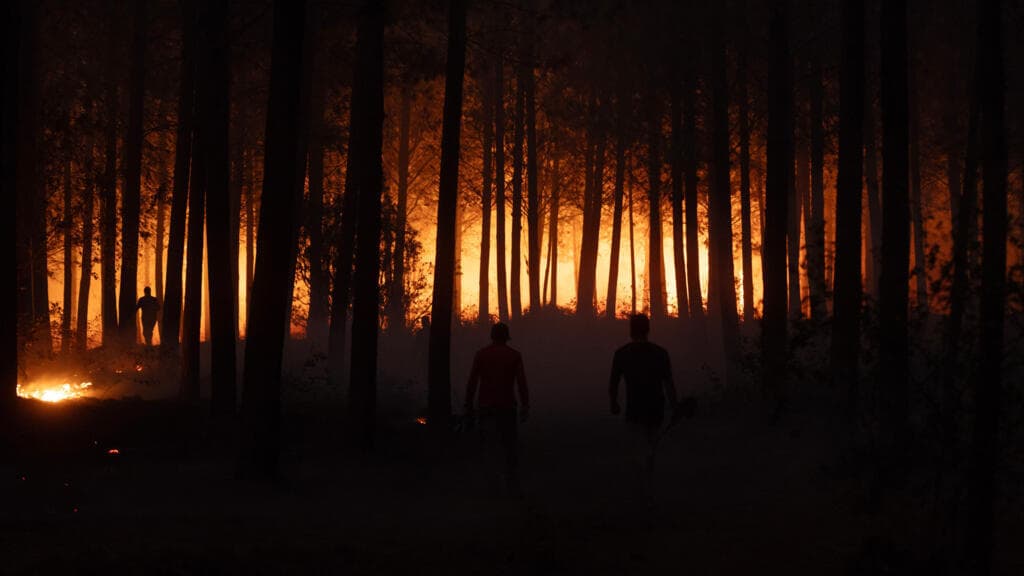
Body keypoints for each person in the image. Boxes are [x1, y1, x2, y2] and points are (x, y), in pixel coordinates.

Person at [609, 314, 679, 480]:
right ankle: (649, 482)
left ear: (631, 330)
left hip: (634, 409)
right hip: (656, 409)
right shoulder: (660, 353)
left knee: (638, 450)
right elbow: (669, 384)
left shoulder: (621, 354)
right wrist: (675, 407)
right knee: (651, 448)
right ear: (648, 329)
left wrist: (614, 403)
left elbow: (613, 383)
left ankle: (642, 485)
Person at [464, 322, 530, 495]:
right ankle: (511, 484)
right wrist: (525, 406)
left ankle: (491, 484)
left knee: (488, 446)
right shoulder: (514, 356)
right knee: (509, 447)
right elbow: (522, 383)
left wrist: (468, 406)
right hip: (507, 406)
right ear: (506, 337)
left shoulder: (481, 355)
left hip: (486, 406)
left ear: (492, 336)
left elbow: (472, 383)